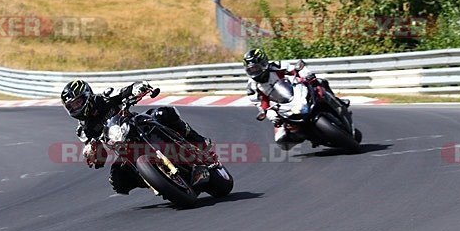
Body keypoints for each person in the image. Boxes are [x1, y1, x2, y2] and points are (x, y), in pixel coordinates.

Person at [61, 79, 213, 194]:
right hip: (123, 147)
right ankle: (158, 181)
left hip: (135, 124)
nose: (76, 108)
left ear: (87, 95)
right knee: (117, 181)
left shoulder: (104, 98)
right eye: (72, 106)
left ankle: (199, 142)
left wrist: (138, 87)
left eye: (78, 102)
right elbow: (99, 157)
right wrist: (92, 154)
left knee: (164, 113)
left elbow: (125, 91)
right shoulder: (83, 130)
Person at [243, 48, 349, 148]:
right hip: (279, 105)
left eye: (256, 67)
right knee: (280, 139)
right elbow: (260, 104)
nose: (254, 71)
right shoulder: (252, 86)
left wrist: (307, 75)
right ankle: (306, 135)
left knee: (321, 82)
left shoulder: (277, 66)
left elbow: (295, 70)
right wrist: (269, 115)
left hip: (293, 91)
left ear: (264, 63)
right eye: (251, 69)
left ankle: (337, 101)